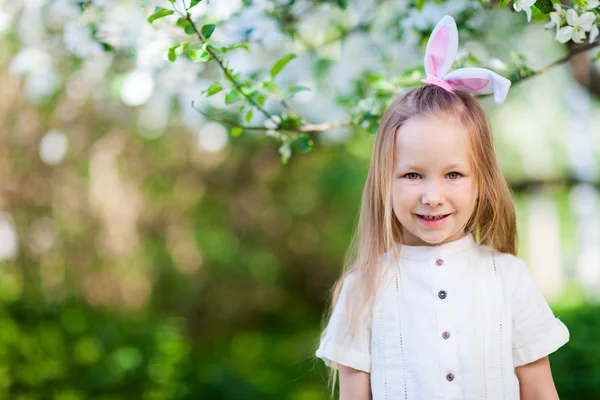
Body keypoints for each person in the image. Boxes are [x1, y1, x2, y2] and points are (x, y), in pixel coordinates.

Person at [315, 15, 569, 400]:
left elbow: (539, 389)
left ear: (481, 181)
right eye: (413, 175)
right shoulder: (362, 289)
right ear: (385, 181)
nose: (432, 196)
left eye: (453, 175)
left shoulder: (509, 278)